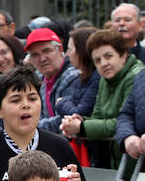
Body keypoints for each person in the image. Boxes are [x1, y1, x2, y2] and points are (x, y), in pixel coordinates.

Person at [60, 29, 144, 169]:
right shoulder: (105, 79)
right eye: (97, 60)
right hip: (112, 162)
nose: (103, 63)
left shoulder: (136, 75)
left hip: (133, 163)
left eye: (108, 56)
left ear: (123, 55)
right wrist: (78, 120)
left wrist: (81, 127)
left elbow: (122, 121)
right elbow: (97, 116)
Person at [54, 27, 100, 166]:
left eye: (70, 49)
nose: (67, 54)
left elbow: (79, 112)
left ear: (82, 51)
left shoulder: (96, 78)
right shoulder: (82, 77)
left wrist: (61, 103)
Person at [25, 28, 79, 134]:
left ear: (60, 49)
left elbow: (66, 120)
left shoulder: (74, 76)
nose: (42, 59)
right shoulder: (38, 80)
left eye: (46, 51)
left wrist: (30, 125)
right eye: (35, 55)